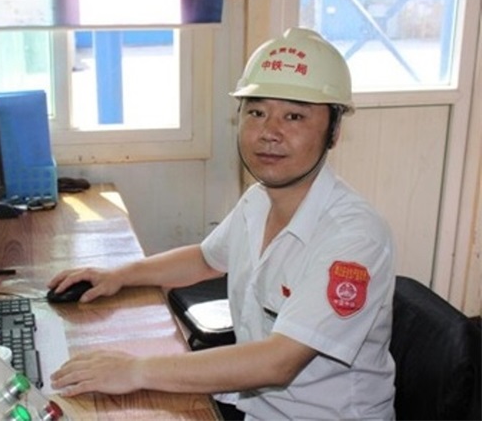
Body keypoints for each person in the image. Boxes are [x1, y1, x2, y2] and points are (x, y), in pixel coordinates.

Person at [48, 27, 396, 420]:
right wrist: (119, 275)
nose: (269, 133)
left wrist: (136, 370)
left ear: (334, 131)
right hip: (254, 406)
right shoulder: (259, 199)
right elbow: (204, 259)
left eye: (294, 116)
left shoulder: (354, 237)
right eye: (256, 112)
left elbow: (278, 362)